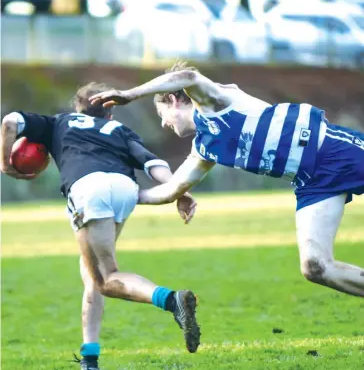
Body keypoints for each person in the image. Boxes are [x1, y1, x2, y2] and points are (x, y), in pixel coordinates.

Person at [90, 62, 364, 298]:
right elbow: (170, 190)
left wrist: (130, 94)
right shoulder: (205, 149)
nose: (164, 124)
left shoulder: (214, 104)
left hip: (334, 150)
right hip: (314, 183)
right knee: (315, 267)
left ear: (173, 101)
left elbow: (189, 76)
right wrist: (120, 193)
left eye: (162, 116)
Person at [0, 82, 201, 370]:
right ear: (109, 113)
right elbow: (151, 163)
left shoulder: (59, 122)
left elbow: (10, 121)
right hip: (124, 188)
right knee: (92, 274)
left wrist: (6, 165)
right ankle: (89, 358)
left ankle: (171, 300)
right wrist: (180, 191)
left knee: (107, 279)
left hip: (88, 189)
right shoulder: (119, 130)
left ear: (77, 108)